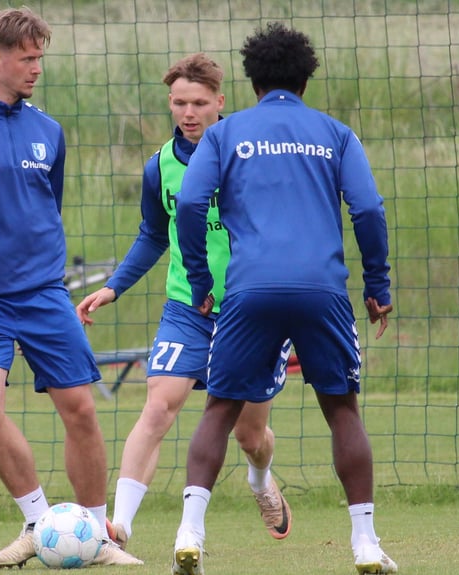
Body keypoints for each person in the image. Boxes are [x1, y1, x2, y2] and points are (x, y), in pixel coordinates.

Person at [0, 7, 142, 569]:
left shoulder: (48, 130)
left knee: (81, 410)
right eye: (28, 58)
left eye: (40, 57)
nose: (37, 67)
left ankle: (96, 535)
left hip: (43, 294)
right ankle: (39, 522)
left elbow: (47, 206)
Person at [171, 22, 397, 575]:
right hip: (322, 289)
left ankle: (189, 536)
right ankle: (365, 545)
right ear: (306, 78)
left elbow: (192, 204)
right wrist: (377, 286)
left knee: (220, 408)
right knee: (342, 409)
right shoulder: (335, 133)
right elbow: (368, 210)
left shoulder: (226, 135)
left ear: (249, 81)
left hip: (248, 291)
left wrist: (201, 282)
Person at [75, 53, 293, 552]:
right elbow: (154, 235)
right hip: (186, 308)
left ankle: (260, 481)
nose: (189, 112)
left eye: (199, 103)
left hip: (250, 309)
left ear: (220, 102)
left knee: (249, 435)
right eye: (179, 103)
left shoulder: (252, 154)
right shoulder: (160, 167)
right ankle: (119, 528)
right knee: (159, 406)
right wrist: (114, 286)